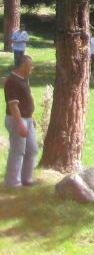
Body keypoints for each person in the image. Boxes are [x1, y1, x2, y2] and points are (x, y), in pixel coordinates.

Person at [4, 54, 37, 188]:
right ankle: (12, 182)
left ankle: (26, 178)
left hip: (27, 119)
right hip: (17, 119)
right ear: (23, 65)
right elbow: (13, 105)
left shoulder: (23, 80)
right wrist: (20, 123)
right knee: (18, 151)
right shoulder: (12, 81)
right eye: (30, 65)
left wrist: (30, 118)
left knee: (32, 149)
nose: (32, 67)